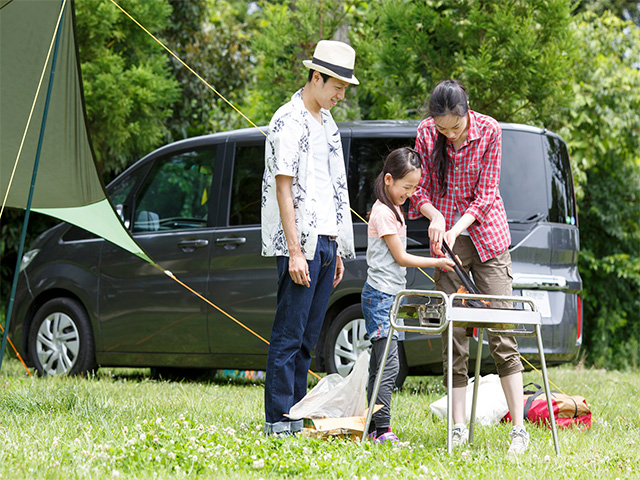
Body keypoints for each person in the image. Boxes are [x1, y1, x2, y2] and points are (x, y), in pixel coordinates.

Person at [408, 79, 530, 454]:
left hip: (487, 237)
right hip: (445, 238)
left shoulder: (490, 130)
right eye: (443, 128)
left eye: (455, 127)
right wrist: (433, 216)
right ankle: (458, 427)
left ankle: (519, 431)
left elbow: (487, 194)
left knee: (501, 329)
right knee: (453, 333)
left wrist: (454, 225)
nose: (450, 134)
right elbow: (419, 189)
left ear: (466, 113)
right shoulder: (427, 133)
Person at [261, 40, 358, 436]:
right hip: (299, 245)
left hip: (325, 242)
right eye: (337, 86)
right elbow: (284, 189)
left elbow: (330, 190)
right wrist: (296, 251)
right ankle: (277, 421)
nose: (340, 95)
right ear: (316, 77)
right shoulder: (287, 119)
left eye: (345, 89)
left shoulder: (328, 125)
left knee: (308, 338)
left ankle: (296, 416)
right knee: (288, 333)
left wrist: (335, 249)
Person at [363, 147, 454, 443]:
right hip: (381, 297)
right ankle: (382, 430)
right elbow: (401, 258)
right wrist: (437, 262)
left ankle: (373, 427)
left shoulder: (395, 208)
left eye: (415, 187)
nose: (411, 193)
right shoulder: (383, 212)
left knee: (382, 364)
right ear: (389, 180)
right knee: (388, 364)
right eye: (407, 187)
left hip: (391, 296)